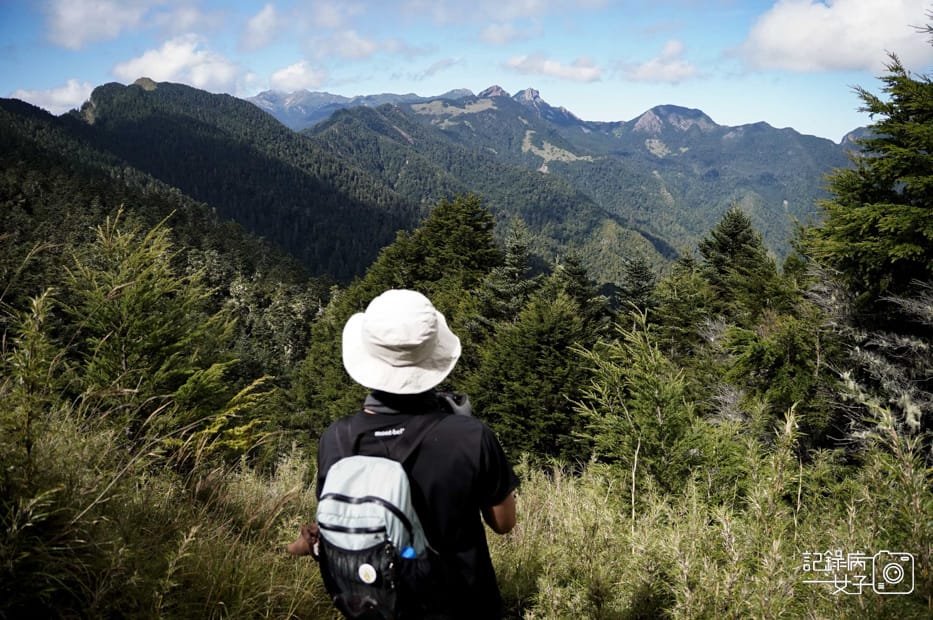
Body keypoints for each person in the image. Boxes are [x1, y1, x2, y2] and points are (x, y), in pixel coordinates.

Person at [315, 288, 519, 619]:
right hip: (465, 605)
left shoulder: (336, 439)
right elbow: (504, 523)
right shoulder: (471, 436)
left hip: (378, 606)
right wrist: (462, 429)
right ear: (433, 355)